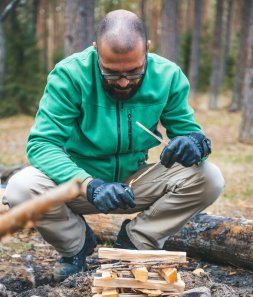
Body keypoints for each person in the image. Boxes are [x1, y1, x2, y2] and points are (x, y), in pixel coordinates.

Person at [3, 10, 224, 281]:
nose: (122, 82)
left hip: (133, 184)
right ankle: (77, 245)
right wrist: (90, 185)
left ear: (147, 50)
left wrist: (195, 142)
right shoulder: (70, 75)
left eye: (133, 72)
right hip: (79, 185)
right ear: (96, 51)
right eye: (111, 73)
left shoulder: (168, 76)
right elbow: (42, 144)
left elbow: (187, 130)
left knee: (210, 178)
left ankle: (134, 242)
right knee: (20, 188)